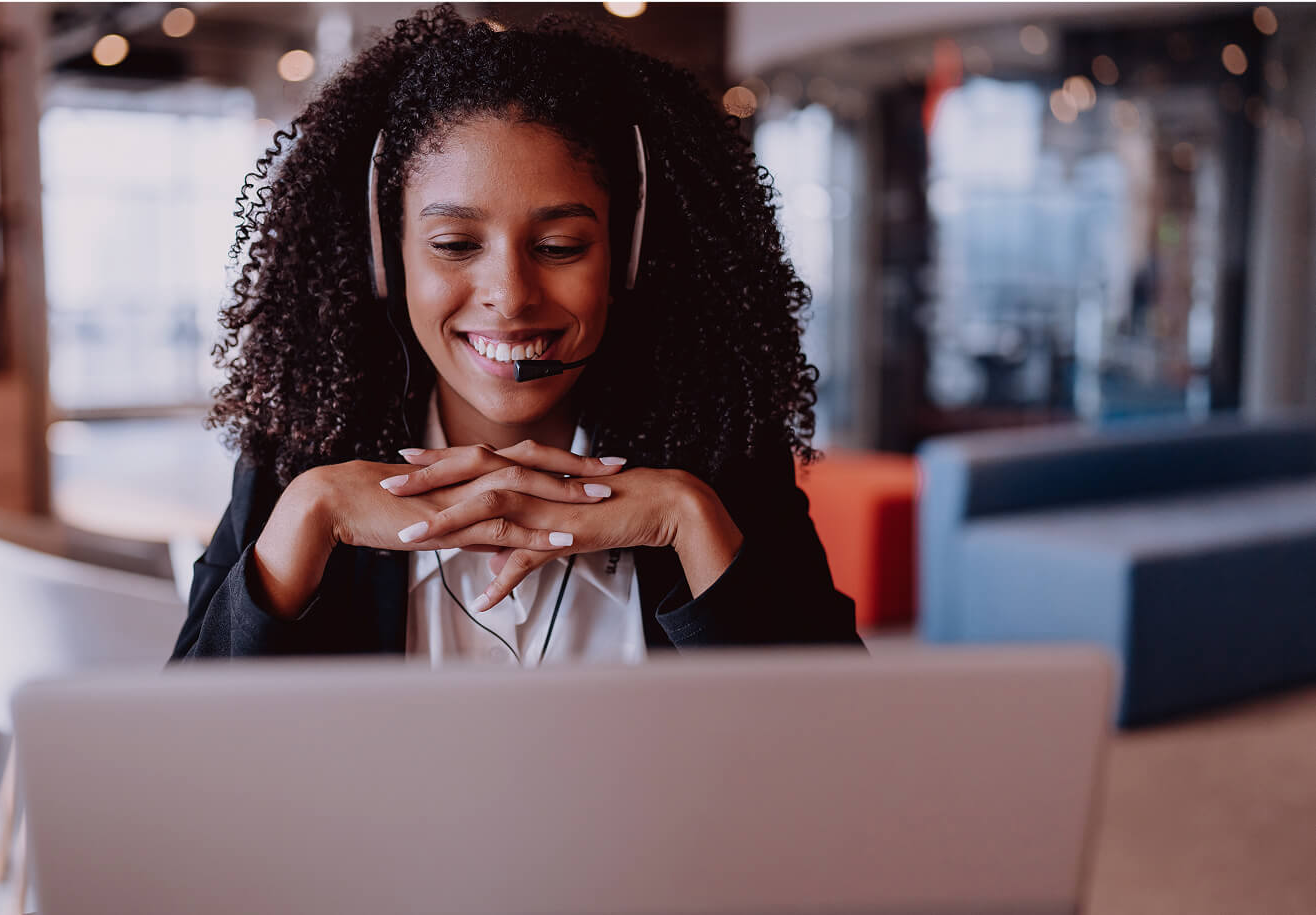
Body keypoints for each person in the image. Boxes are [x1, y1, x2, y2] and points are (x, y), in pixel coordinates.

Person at [172, 5, 862, 663]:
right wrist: (304, 523)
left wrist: (689, 521)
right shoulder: (296, 470)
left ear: (624, 258)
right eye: (453, 243)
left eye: (560, 246)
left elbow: (846, 750)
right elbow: (185, 761)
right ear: (388, 261)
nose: (509, 296)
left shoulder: (722, 467)